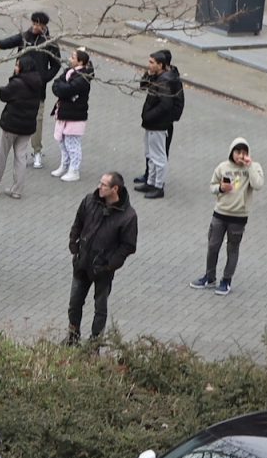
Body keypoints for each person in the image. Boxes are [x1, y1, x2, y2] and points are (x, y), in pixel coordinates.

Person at [65, 172, 138, 345]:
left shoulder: (128, 216)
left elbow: (128, 246)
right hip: (82, 263)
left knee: (100, 309)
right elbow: (78, 223)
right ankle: (72, 337)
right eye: (100, 183)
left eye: (104, 185)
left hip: (103, 270)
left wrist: (109, 265)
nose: (99, 187)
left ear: (115, 189)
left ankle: (94, 344)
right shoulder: (89, 201)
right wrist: (74, 245)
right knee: (74, 304)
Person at [191, 138, 264, 294]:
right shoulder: (223, 167)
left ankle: (226, 280)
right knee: (212, 246)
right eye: (238, 152)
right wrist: (221, 188)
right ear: (232, 152)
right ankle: (209, 277)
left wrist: (250, 165)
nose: (241, 156)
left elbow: (258, 185)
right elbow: (212, 186)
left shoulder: (254, 167)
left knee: (232, 249)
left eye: (244, 153)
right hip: (220, 213)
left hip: (239, 217)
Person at [0, 11, 61, 169]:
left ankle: (37, 152)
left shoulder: (50, 42)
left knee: (37, 121)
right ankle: (9, 152)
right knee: (13, 116)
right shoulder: (25, 36)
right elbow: (12, 40)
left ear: (44, 25)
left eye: (37, 24)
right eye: (33, 23)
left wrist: (44, 78)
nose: (34, 27)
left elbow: (56, 64)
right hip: (19, 87)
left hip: (37, 89)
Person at [0, 61, 44, 200]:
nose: (15, 67)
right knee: (21, 158)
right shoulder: (37, 83)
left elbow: (3, 94)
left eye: (17, 65)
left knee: (1, 156)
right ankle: (17, 190)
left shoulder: (17, 84)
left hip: (10, 125)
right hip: (27, 127)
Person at [135, 50, 182, 197]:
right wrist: (149, 73)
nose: (148, 65)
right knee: (150, 153)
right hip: (153, 124)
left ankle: (158, 186)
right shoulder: (158, 77)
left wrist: (149, 116)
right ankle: (151, 182)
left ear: (160, 65)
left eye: (151, 62)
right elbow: (143, 85)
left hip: (158, 124)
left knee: (158, 157)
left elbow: (165, 105)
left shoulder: (165, 81)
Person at [48, 50, 93, 183]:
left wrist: (62, 89)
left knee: (72, 143)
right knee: (61, 141)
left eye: (73, 57)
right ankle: (64, 165)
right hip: (64, 112)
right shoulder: (69, 72)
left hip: (75, 115)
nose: (69, 59)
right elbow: (57, 84)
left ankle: (74, 170)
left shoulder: (83, 77)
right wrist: (62, 89)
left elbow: (66, 90)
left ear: (80, 62)